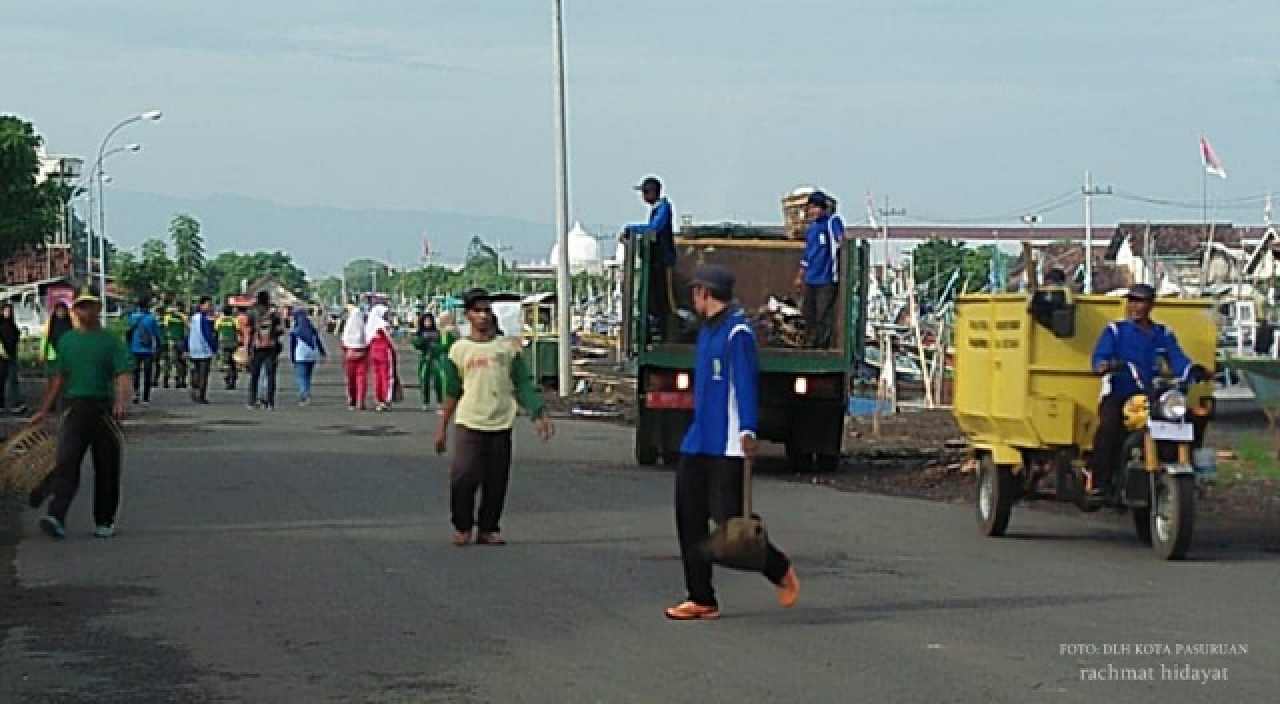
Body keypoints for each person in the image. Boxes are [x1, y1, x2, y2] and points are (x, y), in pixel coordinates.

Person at [666, 264, 799, 621]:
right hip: (699, 438)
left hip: (727, 441)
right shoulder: (706, 332)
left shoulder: (737, 333)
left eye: (695, 291)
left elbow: (745, 383)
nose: (693, 297)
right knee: (688, 516)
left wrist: (749, 431)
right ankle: (701, 597)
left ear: (704, 293)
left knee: (729, 520)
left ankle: (778, 567)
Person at [434, 288, 554, 546]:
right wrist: (442, 428)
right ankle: (463, 525)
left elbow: (522, 383)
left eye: (487, 310)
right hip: (469, 422)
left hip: (500, 422)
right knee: (464, 477)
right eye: (478, 311)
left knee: (496, 479)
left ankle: (488, 527)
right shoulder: (459, 350)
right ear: (468, 315)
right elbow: (452, 390)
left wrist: (538, 413)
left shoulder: (506, 349)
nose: (484, 316)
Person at [1087, 284, 1209, 499]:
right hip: (1121, 394)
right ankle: (1099, 478)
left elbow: (1177, 358)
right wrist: (1104, 365)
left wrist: (1193, 370)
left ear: (1151, 305)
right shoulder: (1116, 331)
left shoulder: (1163, 333)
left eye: (1140, 301)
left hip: (1156, 396)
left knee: (1193, 417)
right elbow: (1099, 357)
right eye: (1132, 300)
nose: (1135, 306)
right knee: (1110, 426)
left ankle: (1190, 468)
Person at [29, 288, 132, 540]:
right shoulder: (67, 341)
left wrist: (122, 401)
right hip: (74, 408)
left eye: (90, 306)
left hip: (102, 409)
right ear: (75, 310)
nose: (85, 311)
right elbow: (58, 378)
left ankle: (104, 520)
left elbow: (123, 373)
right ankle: (56, 515)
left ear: (98, 310)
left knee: (107, 466)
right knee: (66, 463)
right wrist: (43, 410)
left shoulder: (110, 341)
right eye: (81, 306)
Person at [622, 176, 677, 343]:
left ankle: (664, 335)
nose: (643, 197)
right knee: (652, 299)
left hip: (663, 262)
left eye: (645, 192)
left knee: (663, 300)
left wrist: (630, 228)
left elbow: (654, 228)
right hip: (656, 262)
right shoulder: (656, 209)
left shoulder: (664, 208)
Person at [793, 190, 844, 349]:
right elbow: (808, 255)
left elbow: (840, 239)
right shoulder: (812, 229)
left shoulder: (832, 222)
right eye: (810, 208)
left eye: (815, 208)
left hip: (827, 277)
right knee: (808, 313)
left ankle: (822, 346)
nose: (812, 211)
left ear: (822, 208)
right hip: (811, 278)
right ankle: (809, 343)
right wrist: (800, 275)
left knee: (823, 314)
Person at [245, 292, 284, 410]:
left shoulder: (251, 312)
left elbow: (248, 330)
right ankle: (270, 402)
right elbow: (280, 330)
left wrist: (247, 348)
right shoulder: (273, 312)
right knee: (270, 375)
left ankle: (252, 401)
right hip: (271, 347)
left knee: (254, 376)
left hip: (256, 347)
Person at [126, 297, 162, 405]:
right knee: (147, 373)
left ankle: (135, 394)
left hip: (134, 348)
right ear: (147, 305)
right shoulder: (151, 318)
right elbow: (158, 334)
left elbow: (127, 331)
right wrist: (160, 346)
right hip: (148, 349)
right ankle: (146, 398)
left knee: (135, 372)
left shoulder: (132, 317)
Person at [289, 307, 326, 405]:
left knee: (301, 377)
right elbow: (318, 341)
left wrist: (293, 359)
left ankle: (304, 396)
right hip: (312, 355)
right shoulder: (311, 328)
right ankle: (307, 394)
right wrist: (323, 353)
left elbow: (292, 347)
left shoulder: (295, 331)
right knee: (308, 377)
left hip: (300, 356)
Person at [365, 303, 398, 412]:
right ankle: (386, 400)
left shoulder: (370, 326)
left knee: (377, 377)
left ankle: (379, 400)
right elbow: (390, 340)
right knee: (387, 377)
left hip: (373, 352)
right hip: (385, 352)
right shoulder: (384, 325)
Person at [187, 297, 217, 404]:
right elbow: (207, 335)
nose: (210, 307)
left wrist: (187, 347)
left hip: (194, 349)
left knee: (195, 371)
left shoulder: (193, 318)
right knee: (203, 374)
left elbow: (188, 333)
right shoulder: (203, 319)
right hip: (203, 350)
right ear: (201, 305)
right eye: (208, 305)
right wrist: (213, 347)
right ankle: (201, 396)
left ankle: (194, 390)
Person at [341, 304, 370, 410]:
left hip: (349, 354)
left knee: (351, 379)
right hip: (362, 353)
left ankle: (352, 400)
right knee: (362, 379)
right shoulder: (363, 326)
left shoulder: (348, 326)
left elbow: (343, 341)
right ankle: (361, 401)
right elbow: (368, 339)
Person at [413, 311, 444, 411]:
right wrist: (423, 340)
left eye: (430, 320)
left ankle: (440, 402)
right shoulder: (420, 332)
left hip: (436, 360)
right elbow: (416, 344)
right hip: (425, 358)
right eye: (426, 320)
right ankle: (425, 402)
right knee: (424, 380)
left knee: (438, 381)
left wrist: (435, 345)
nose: (428, 322)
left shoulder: (437, 332)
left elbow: (442, 346)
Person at [0, 304, 26, 414]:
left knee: (13, 380)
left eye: (9, 311)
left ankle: (17, 404)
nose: (8, 313)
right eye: (5, 311)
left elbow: (15, 336)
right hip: (1, 356)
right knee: (1, 381)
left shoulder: (12, 324)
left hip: (12, 355)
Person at [160, 303, 189, 389]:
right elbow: (187, 329)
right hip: (181, 341)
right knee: (181, 362)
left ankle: (167, 381)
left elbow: (165, 328)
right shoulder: (184, 317)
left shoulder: (167, 317)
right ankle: (180, 381)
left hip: (170, 341)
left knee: (170, 361)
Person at [215, 306, 241, 389]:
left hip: (223, 343)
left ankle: (228, 378)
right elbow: (238, 330)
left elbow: (216, 330)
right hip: (233, 343)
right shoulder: (234, 320)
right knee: (233, 362)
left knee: (226, 363)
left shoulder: (219, 320)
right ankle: (232, 378)